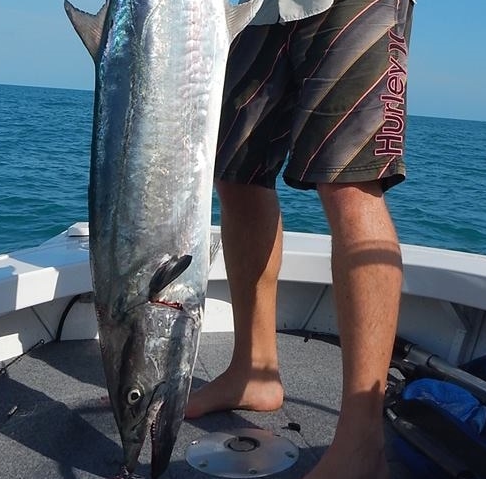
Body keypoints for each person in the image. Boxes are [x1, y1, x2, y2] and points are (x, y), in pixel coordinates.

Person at [186, 0, 414, 477]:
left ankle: (361, 443)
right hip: (252, 10)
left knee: (350, 184)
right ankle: (253, 370)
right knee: (236, 177)